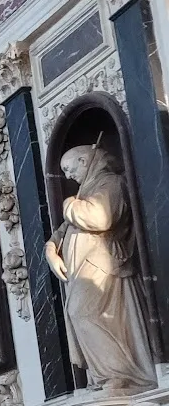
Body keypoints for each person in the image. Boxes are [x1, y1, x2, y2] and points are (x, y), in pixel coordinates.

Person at [45, 143, 156, 392]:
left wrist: (69, 205)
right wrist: (51, 250)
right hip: (83, 270)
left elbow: (100, 218)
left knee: (82, 313)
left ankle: (120, 374)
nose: (66, 175)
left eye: (68, 168)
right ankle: (104, 375)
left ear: (84, 161)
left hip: (104, 267)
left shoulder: (111, 183)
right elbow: (60, 233)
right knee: (80, 314)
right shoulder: (87, 191)